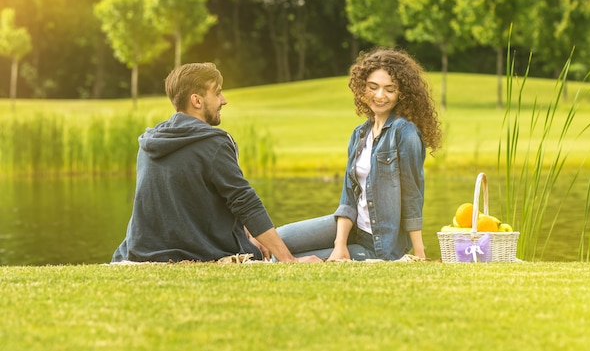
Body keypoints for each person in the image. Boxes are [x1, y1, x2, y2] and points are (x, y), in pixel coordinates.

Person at [112, 62, 321, 264]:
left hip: (140, 252)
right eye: (217, 92)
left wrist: (248, 233)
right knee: (322, 250)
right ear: (197, 100)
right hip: (200, 253)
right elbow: (245, 201)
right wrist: (289, 260)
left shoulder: (149, 142)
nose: (224, 100)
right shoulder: (213, 143)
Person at [276, 48, 442, 261]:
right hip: (354, 227)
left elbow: (412, 195)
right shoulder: (359, 134)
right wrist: (340, 245)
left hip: (380, 244)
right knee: (279, 240)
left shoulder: (405, 132)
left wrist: (419, 253)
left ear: (402, 93)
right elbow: (349, 196)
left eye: (389, 89)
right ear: (362, 88)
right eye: (373, 87)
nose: (380, 96)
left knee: (287, 258)